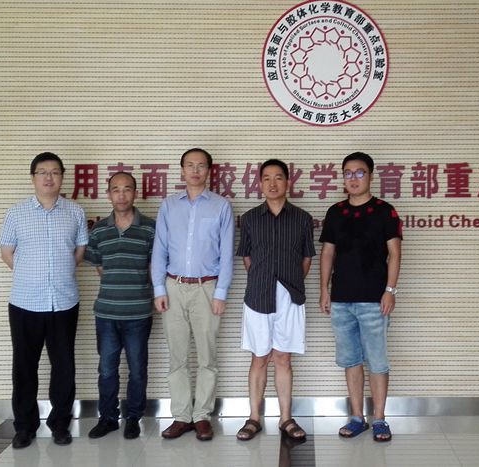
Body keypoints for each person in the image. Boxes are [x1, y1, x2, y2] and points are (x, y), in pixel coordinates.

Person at [0, 152, 88, 448]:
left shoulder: (75, 212)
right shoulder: (16, 213)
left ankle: (60, 424)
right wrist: (33, 275)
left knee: (64, 366)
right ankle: (25, 426)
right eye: (42, 172)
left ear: (62, 177)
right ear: (33, 178)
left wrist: (56, 275)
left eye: (54, 172)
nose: (48, 177)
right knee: (24, 366)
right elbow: (7, 254)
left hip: (64, 301)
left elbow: (79, 253)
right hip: (25, 302)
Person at [151, 148, 235, 441]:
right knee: (177, 357)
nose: (195, 171)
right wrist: (159, 288)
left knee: (206, 357)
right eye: (190, 165)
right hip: (173, 287)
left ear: (209, 171)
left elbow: (227, 254)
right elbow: (160, 249)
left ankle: (202, 416)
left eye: (201, 166)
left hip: (206, 288)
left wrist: (221, 292)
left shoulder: (221, 206)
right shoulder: (169, 206)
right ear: (182, 171)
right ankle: (181, 416)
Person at [319, 151, 402, 442]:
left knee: (377, 361)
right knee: (351, 360)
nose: (353, 178)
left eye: (359, 172)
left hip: (374, 300)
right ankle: (357, 417)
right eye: (348, 173)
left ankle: (379, 419)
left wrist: (390, 291)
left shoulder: (384, 211)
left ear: (370, 176)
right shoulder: (335, 212)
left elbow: (394, 253)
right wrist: (324, 289)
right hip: (341, 300)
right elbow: (327, 253)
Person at [235, 159, 315, 442]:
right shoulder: (250, 218)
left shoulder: (302, 218)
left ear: (288, 182)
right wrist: (263, 278)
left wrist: (288, 282)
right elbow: (246, 257)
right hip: (258, 296)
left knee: (283, 358)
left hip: (290, 296)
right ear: (259, 183)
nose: (272, 183)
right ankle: (254, 418)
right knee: (259, 358)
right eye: (266, 178)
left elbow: (306, 258)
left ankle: (285, 418)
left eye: (278, 177)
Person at [84, 172, 156, 440]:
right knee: (106, 369)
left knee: (137, 369)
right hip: (106, 313)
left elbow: (154, 267)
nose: (122, 195)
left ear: (135, 192)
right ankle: (108, 418)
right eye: (116, 189)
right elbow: (99, 267)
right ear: (109, 194)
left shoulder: (150, 228)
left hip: (139, 312)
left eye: (127, 189)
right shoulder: (99, 230)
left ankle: (134, 418)